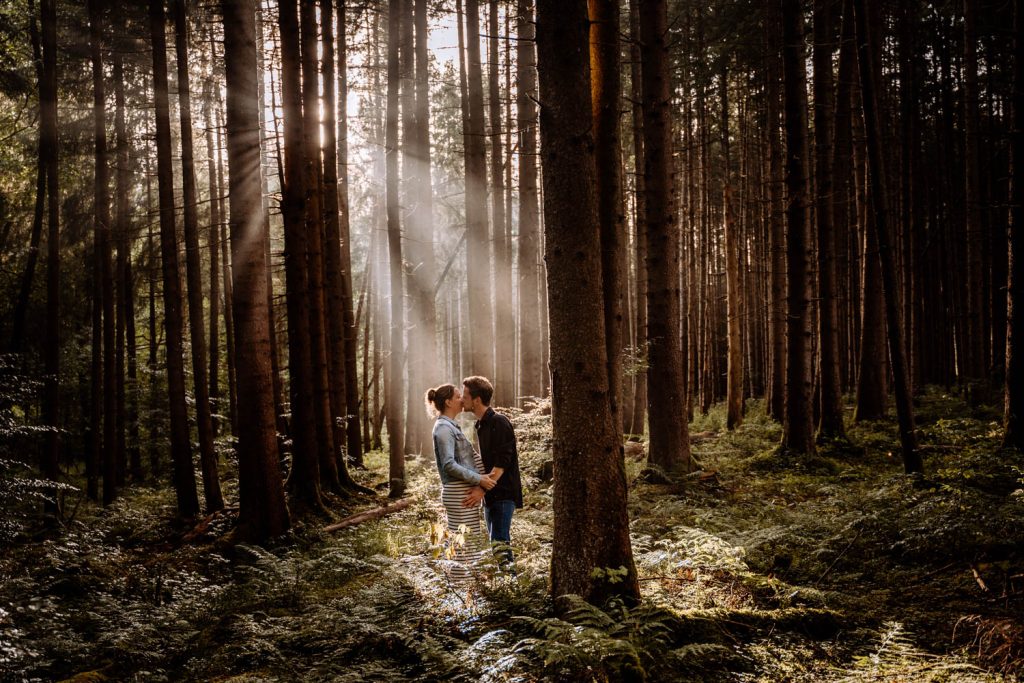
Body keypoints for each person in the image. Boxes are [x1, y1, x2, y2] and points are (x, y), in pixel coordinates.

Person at [426, 383, 496, 584]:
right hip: (458, 493)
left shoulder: (451, 426)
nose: (462, 399)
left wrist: (486, 482)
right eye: (458, 396)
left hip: (465, 491)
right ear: (448, 402)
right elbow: (449, 464)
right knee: (462, 544)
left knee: (469, 542)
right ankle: (459, 590)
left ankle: (469, 590)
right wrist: (480, 479)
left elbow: (471, 459)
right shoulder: (442, 429)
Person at [460, 376, 523, 571]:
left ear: (477, 399)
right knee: (496, 543)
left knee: (499, 543)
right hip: (491, 495)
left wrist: (481, 490)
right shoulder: (480, 425)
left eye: (465, 396)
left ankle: (511, 585)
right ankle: (507, 584)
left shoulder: (499, 422)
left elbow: (502, 463)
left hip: (503, 493)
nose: (462, 400)